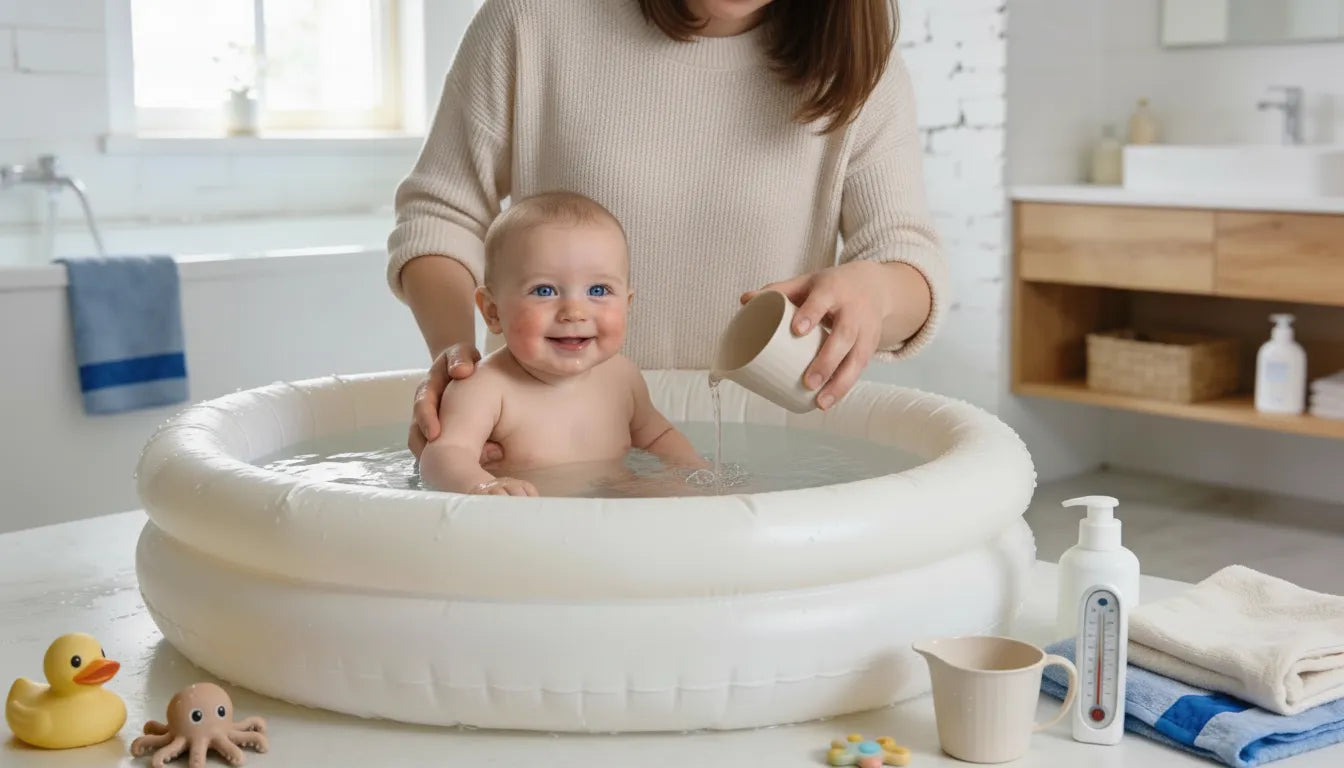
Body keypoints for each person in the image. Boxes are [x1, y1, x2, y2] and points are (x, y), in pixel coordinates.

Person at [389, 0, 944, 462]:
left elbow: (906, 260)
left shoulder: (861, 67)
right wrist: (457, 363)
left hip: (769, 460)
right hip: (544, 452)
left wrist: (874, 290)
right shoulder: (531, 20)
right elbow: (443, 215)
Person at [418, 190, 707, 496]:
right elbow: (443, 455)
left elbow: (658, 436)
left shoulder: (622, 378)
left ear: (627, 302)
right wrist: (483, 485)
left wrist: (694, 472)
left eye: (598, 290)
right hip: (527, 523)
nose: (574, 312)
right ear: (493, 311)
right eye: (544, 291)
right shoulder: (485, 388)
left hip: (612, 510)